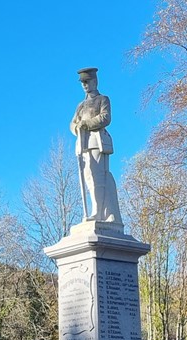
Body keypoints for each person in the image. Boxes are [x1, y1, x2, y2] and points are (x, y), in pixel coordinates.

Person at [70, 67, 123, 224]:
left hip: (97, 141)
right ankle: (95, 209)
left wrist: (86, 123)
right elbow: (72, 123)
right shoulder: (80, 105)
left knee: (97, 176)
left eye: (87, 81)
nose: (85, 85)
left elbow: (105, 118)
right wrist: (76, 127)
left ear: (95, 81)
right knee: (88, 177)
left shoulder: (103, 99)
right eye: (83, 83)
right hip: (83, 143)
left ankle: (99, 212)